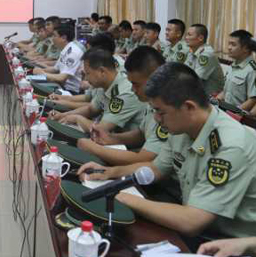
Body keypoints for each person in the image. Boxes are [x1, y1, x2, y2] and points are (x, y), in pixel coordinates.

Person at [79, 63, 256, 238]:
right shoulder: (183, 125)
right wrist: (109, 173)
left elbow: (192, 221)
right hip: (192, 216)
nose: (156, 119)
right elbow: (156, 168)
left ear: (189, 107)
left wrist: (123, 197)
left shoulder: (230, 146)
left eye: (160, 112)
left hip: (227, 240)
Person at [77, 47, 169, 166]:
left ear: (154, 79)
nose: (132, 89)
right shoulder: (152, 100)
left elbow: (145, 159)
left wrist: (94, 149)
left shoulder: (169, 108)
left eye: (136, 84)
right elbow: (141, 134)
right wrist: (112, 138)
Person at [50, 49, 145, 134]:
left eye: (88, 73)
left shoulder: (125, 92)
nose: (86, 79)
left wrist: (77, 118)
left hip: (123, 144)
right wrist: (63, 115)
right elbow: (91, 109)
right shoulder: (103, 84)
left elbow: (102, 129)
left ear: (102, 71)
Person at [31, 26, 84, 94]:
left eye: (54, 36)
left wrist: (43, 73)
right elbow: (56, 69)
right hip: (61, 85)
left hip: (69, 91)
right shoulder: (66, 49)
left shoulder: (73, 52)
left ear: (63, 38)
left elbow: (62, 78)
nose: (52, 38)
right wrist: (40, 70)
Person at [216, 30, 256, 112]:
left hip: (237, 115)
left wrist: (234, 113)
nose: (229, 47)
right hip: (225, 110)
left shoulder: (252, 70)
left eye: (233, 44)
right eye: (229, 44)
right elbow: (226, 91)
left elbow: (252, 100)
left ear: (246, 48)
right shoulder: (233, 65)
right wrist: (215, 102)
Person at [184, 24, 225, 95]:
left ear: (200, 38)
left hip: (212, 97)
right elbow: (184, 71)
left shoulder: (206, 54)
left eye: (189, 35)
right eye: (186, 35)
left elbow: (195, 79)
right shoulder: (192, 51)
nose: (186, 37)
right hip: (197, 92)